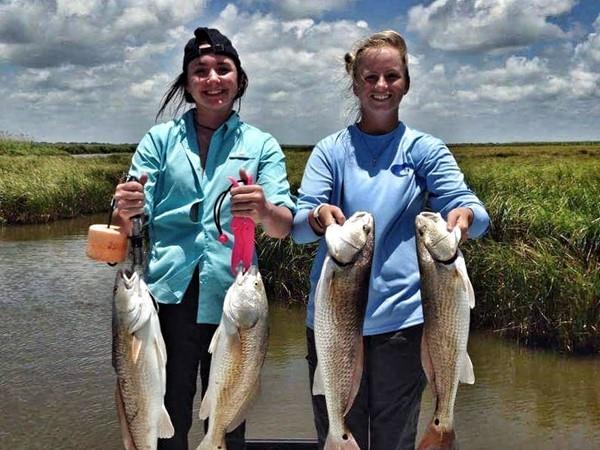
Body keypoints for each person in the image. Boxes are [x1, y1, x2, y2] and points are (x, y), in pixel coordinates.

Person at [291, 30, 490, 450]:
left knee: (394, 439)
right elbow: (297, 226)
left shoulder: (425, 150)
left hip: (403, 324)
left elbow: (470, 206)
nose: (381, 87)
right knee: (337, 428)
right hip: (332, 323)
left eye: (391, 76)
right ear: (355, 82)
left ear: (406, 82)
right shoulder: (331, 150)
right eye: (370, 77)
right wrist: (315, 215)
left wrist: (466, 214)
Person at [111, 27, 295, 450]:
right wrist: (125, 209)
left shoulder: (261, 145)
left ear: (239, 79)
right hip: (166, 295)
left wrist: (264, 210)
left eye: (223, 69)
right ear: (187, 83)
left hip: (236, 298)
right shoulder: (159, 141)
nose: (213, 79)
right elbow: (131, 225)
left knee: (230, 410)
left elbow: (282, 226)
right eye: (200, 71)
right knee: (167, 406)